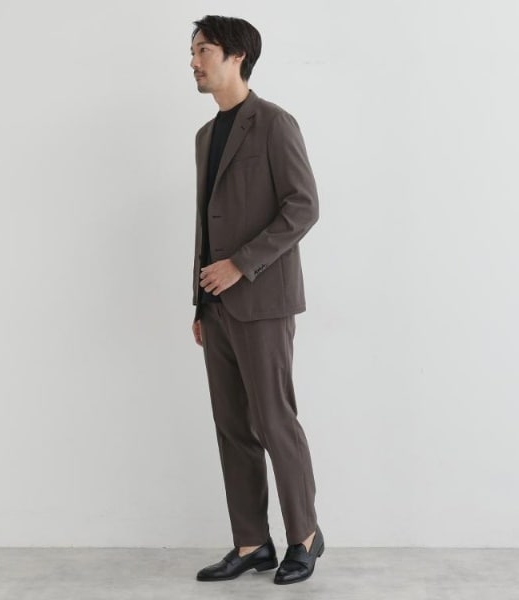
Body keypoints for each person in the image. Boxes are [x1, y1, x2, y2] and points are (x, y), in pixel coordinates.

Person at [189, 15, 323, 585]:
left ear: (237, 55)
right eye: (192, 51)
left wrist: (241, 265)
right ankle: (251, 543)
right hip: (217, 307)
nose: (194, 61)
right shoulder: (205, 136)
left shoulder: (273, 123)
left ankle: (305, 537)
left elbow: (303, 206)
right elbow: (206, 223)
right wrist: (199, 303)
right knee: (231, 426)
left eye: (204, 50)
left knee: (274, 421)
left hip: (263, 300)